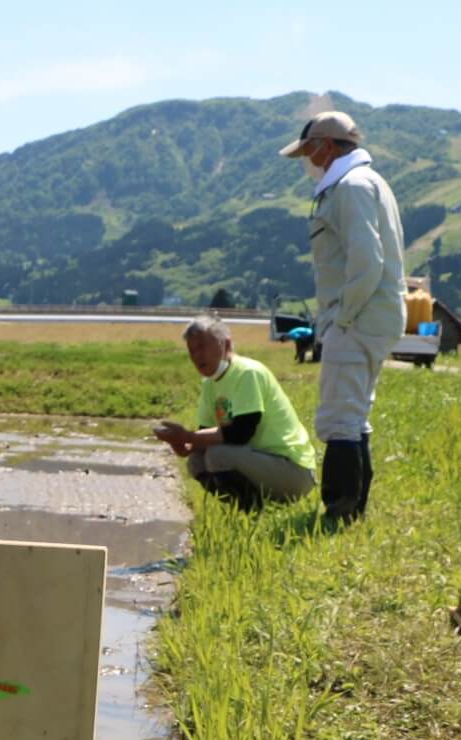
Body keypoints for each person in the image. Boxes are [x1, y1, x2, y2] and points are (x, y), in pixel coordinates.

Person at [281, 109, 406, 523]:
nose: (307, 160)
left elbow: (366, 261)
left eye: (310, 151)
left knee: (337, 418)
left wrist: (343, 318)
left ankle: (339, 512)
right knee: (354, 414)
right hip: (372, 314)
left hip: (357, 316)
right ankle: (353, 511)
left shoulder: (350, 187)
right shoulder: (367, 183)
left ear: (329, 146)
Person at [153, 317, 317, 510]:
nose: (197, 356)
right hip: (261, 462)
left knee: (218, 455)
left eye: (202, 346)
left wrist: (188, 436)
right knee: (196, 462)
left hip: (294, 470)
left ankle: (252, 509)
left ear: (226, 344)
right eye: (192, 351)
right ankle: (245, 510)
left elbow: (242, 433)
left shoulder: (247, 373)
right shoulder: (210, 383)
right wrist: (182, 444)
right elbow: (203, 438)